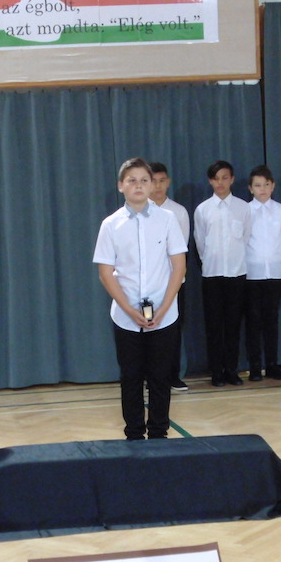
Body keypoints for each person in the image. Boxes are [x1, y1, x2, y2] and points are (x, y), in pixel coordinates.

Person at [93, 157, 187, 440]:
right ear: (121, 185)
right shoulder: (111, 224)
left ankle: (159, 434)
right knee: (131, 377)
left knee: (160, 376)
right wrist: (129, 309)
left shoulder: (167, 219)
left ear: (152, 185)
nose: (138, 185)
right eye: (131, 180)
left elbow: (179, 266)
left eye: (144, 180)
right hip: (126, 315)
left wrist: (165, 307)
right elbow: (105, 272)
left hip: (164, 314)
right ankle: (134, 434)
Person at [194, 160, 251, 386]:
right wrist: (210, 261)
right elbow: (200, 242)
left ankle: (232, 370)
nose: (220, 182)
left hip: (237, 274)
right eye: (216, 178)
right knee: (214, 326)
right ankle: (216, 372)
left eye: (225, 178)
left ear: (232, 179)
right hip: (212, 275)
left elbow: (245, 237)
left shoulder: (243, 208)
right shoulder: (203, 210)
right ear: (210, 181)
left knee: (234, 325)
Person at [245, 165, 281, 380]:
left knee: (271, 320)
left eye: (266, 185)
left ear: (273, 186)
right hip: (251, 273)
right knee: (253, 321)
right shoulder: (245, 211)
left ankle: (272, 365)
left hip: (274, 273)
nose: (262, 189)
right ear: (250, 188)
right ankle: (255, 366)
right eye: (257, 185)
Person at [150, 162, 191, 392]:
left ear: (168, 182)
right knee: (148, 329)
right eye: (153, 181)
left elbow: (180, 249)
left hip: (174, 281)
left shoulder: (179, 212)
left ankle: (173, 376)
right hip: (148, 283)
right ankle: (150, 377)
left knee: (173, 328)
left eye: (162, 181)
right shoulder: (140, 211)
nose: (158, 186)